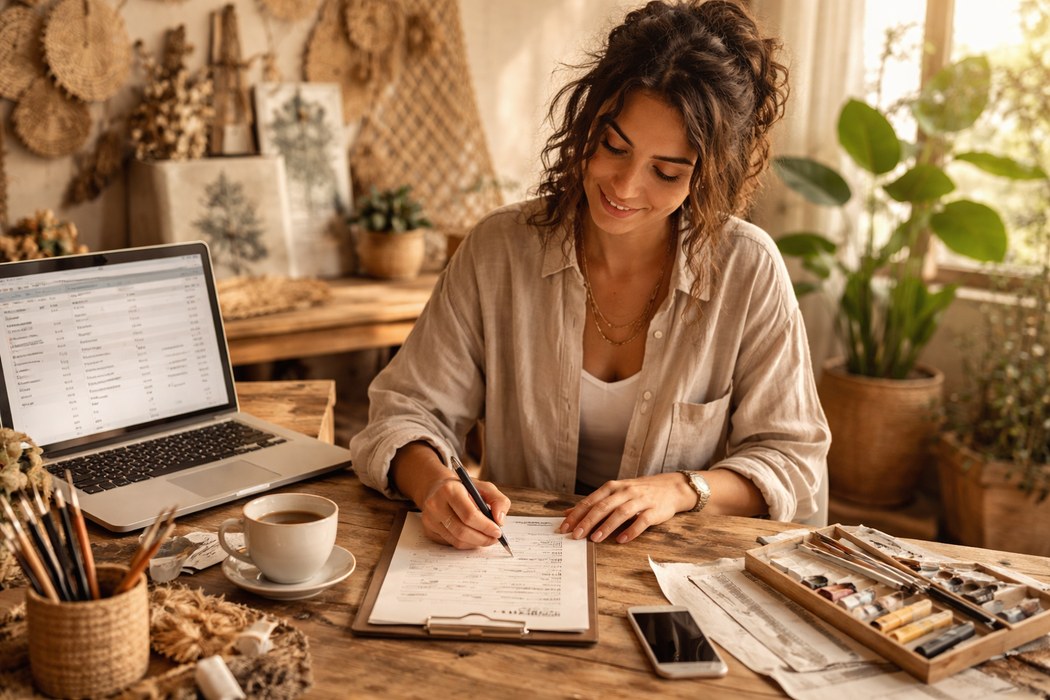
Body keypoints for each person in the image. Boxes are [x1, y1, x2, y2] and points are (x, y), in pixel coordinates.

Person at [350, 0, 829, 550]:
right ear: (587, 123)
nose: (624, 187)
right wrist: (436, 485)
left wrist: (680, 490)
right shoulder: (499, 250)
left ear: (709, 175)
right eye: (614, 147)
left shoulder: (747, 269)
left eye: (666, 171)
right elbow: (405, 411)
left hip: (671, 566)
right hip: (515, 558)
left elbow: (791, 457)